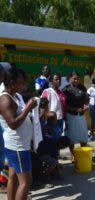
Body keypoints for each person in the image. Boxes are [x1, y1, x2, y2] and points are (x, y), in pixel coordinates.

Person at [0, 66, 37, 200]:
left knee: (14, 178)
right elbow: (13, 124)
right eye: (21, 82)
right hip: (17, 146)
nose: (24, 85)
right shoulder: (5, 99)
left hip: (19, 144)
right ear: (11, 83)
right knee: (26, 182)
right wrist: (27, 108)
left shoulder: (15, 96)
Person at [62, 71, 89, 156]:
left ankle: (84, 155)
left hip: (81, 116)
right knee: (71, 138)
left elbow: (87, 99)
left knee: (83, 137)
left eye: (77, 79)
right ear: (69, 79)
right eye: (74, 79)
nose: (76, 80)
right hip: (71, 116)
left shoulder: (82, 87)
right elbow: (64, 105)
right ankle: (74, 156)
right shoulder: (66, 89)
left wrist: (85, 106)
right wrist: (75, 109)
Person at [41, 73, 66, 140]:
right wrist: (46, 121)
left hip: (60, 120)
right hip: (52, 121)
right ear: (51, 81)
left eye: (59, 79)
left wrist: (65, 120)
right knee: (54, 142)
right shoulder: (47, 91)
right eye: (56, 79)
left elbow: (63, 108)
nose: (59, 81)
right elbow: (42, 107)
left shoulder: (61, 93)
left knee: (58, 142)